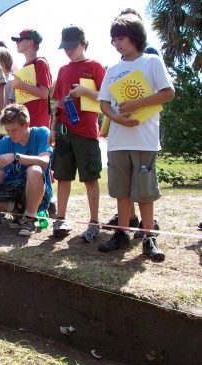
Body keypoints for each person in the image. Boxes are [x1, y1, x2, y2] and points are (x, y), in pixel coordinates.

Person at [97, 14, 174, 261]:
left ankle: (149, 237)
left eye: (120, 38)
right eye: (113, 39)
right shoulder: (113, 69)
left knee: (144, 191)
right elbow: (104, 103)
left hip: (144, 139)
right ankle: (121, 233)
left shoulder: (152, 62)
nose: (116, 43)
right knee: (121, 190)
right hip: (118, 140)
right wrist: (116, 118)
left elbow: (168, 92)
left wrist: (137, 103)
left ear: (135, 36)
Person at [50, 26, 106, 241]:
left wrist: (85, 92)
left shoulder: (95, 66)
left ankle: (94, 223)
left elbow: (106, 97)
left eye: (72, 46)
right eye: (65, 47)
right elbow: (58, 102)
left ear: (83, 43)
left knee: (90, 177)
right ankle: (60, 219)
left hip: (87, 133)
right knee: (63, 176)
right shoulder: (63, 70)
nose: (68, 51)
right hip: (64, 131)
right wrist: (53, 128)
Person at [0, 104, 52, 236]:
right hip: (12, 189)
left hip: (37, 189)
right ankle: (16, 209)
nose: (10, 134)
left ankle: (29, 218)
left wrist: (16, 157)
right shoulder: (5, 143)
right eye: (7, 130)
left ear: (26, 124)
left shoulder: (42, 133)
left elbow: (44, 162)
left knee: (34, 170)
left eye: (14, 130)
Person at [10, 29, 52, 128]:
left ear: (31, 42)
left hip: (38, 125)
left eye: (20, 39)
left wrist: (20, 85)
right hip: (26, 122)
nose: (16, 42)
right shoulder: (25, 66)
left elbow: (44, 93)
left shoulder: (40, 63)